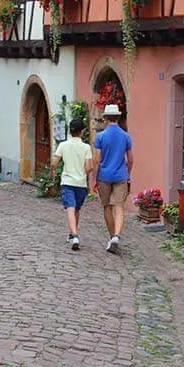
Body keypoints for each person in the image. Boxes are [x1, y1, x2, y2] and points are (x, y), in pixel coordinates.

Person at [94, 104, 132, 254]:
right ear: (118, 117)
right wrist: (128, 173)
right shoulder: (125, 136)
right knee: (119, 207)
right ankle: (116, 235)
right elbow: (131, 159)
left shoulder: (100, 136)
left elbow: (97, 160)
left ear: (105, 118)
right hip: (120, 175)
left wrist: (94, 179)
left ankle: (112, 236)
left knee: (107, 207)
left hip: (104, 176)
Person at [52, 118, 94, 251]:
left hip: (67, 182)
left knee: (70, 208)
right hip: (80, 183)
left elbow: (54, 163)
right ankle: (73, 233)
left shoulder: (63, 145)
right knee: (76, 209)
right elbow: (88, 168)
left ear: (70, 131)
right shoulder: (86, 147)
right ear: (82, 131)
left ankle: (74, 235)